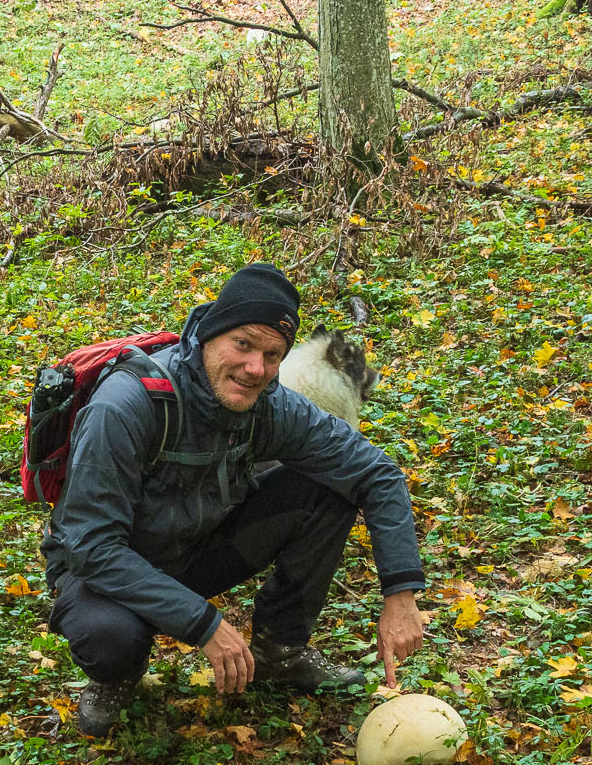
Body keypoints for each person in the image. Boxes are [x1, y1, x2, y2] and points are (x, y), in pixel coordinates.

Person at [41, 263, 428, 738]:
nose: (255, 369)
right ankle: (113, 680)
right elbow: (91, 546)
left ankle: (280, 651)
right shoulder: (126, 404)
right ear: (207, 334)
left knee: (327, 486)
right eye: (242, 344)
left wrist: (400, 593)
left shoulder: (269, 404)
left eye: (272, 354)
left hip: (196, 548)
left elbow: (377, 473)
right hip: (106, 569)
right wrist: (204, 624)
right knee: (110, 638)